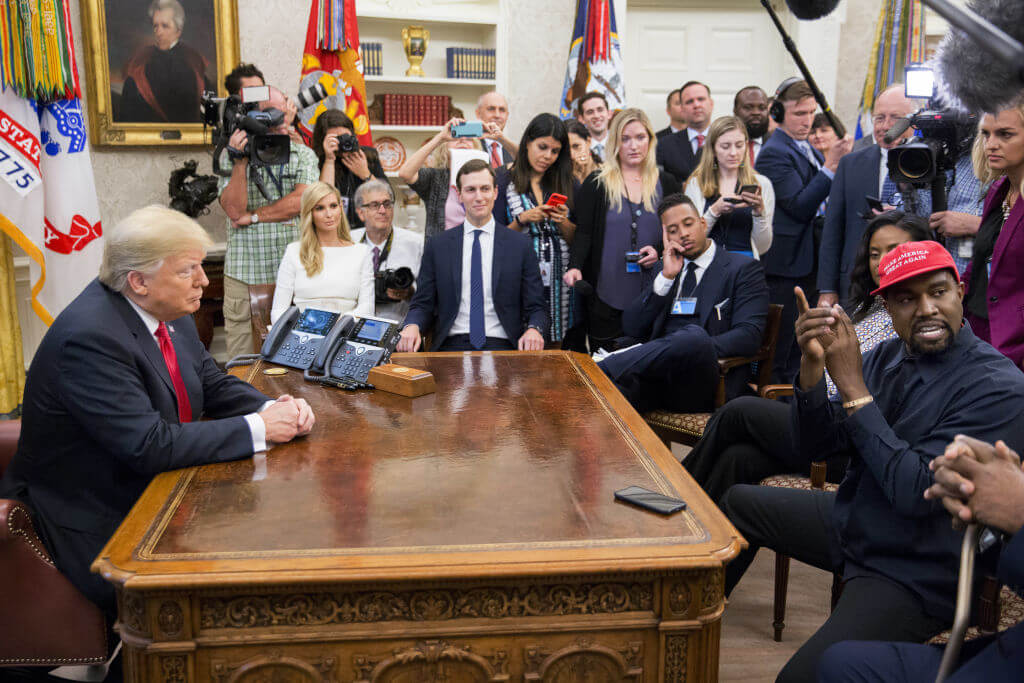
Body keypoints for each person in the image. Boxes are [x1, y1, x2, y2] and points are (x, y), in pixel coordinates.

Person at [719, 240, 1024, 682]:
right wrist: (811, 369)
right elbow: (817, 449)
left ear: (959, 290)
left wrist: (853, 389)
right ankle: (686, 625)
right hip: (857, 522)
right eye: (906, 299)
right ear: (887, 309)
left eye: (937, 292)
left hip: (914, 569)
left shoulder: (999, 385)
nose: (926, 309)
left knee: (797, 679)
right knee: (736, 505)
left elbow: (916, 495)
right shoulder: (888, 355)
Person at [0, 205, 315, 622]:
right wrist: (261, 428)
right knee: (226, 593)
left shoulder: (169, 313)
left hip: (162, 490)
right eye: (189, 270)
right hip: (95, 516)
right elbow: (149, 444)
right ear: (139, 282)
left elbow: (212, 383)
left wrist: (273, 407)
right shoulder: (89, 339)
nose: (204, 280)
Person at [684, 211, 932, 502]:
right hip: (819, 420)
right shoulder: (872, 306)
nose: (881, 261)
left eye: (894, 250)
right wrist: (813, 358)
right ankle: (696, 539)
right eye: (875, 253)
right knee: (738, 459)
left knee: (738, 411)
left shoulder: (921, 317)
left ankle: (673, 494)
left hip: (856, 438)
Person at [818, 435, 1024, 682]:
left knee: (806, 674)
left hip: (916, 561)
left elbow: (914, 491)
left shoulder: (1007, 399)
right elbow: (815, 443)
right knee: (840, 663)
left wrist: (1016, 511)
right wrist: (982, 499)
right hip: (862, 517)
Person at [597, 193, 769, 413]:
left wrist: (689, 348)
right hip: (657, 381)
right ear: (666, 237)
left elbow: (749, 336)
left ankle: (601, 367)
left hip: (706, 381)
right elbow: (631, 327)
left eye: (688, 224)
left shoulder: (742, 269)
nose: (684, 234)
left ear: (703, 223)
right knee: (605, 394)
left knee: (693, 336)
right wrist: (666, 279)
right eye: (673, 230)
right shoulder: (664, 269)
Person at [756, 78, 852, 382]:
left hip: (808, 258)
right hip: (786, 264)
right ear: (777, 112)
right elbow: (798, 205)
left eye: (811, 112)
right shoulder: (774, 151)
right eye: (799, 113)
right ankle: (776, 400)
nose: (807, 120)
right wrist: (830, 165)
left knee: (800, 343)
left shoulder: (801, 146)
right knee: (784, 346)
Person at [397, 159, 548, 352]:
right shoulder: (438, 245)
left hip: (503, 345)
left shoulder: (520, 246)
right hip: (451, 346)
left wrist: (534, 330)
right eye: (470, 190)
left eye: (485, 189)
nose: (479, 197)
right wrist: (412, 326)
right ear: (459, 195)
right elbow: (422, 303)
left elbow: (537, 307)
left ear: (495, 192)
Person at [564, 108, 681, 351]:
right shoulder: (597, 183)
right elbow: (584, 232)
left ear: (650, 139)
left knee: (649, 365)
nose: (633, 145)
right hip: (605, 292)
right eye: (625, 139)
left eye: (640, 137)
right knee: (607, 366)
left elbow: (675, 231)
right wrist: (575, 266)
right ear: (614, 143)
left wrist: (659, 250)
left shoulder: (667, 182)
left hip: (654, 289)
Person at [217, 86, 319, 359]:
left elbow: (301, 201)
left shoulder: (303, 155)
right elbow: (233, 209)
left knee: (298, 358)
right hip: (245, 273)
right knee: (242, 362)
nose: (283, 116)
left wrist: (253, 216)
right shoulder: (230, 155)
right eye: (274, 112)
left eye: (284, 108)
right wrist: (240, 163)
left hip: (297, 274)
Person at [817, 84, 921, 307]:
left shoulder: (929, 164)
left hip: (910, 281)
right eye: (879, 118)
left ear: (915, 120)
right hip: (855, 283)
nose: (886, 126)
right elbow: (833, 229)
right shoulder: (850, 163)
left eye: (895, 118)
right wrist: (827, 288)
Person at [493, 114, 577, 345]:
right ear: (527, 142)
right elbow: (493, 238)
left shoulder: (567, 182)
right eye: (542, 147)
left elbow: (578, 241)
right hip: (517, 280)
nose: (547, 156)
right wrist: (522, 219)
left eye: (555, 151)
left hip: (559, 286)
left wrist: (562, 221)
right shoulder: (502, 180)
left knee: (554, 350)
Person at [963, 102, 1024, 368]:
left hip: (1014, 346)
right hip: (976, 334)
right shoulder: (999, 189)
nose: (991, 144)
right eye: (986, 134)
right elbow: (979, 264)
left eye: (1005, 134)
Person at [269, 182, 374, 324]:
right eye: (320, 208)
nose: (329, 214)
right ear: (309, 213)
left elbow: (367, 308)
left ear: (341, 208)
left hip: (344, 332)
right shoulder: (294, 251)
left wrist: (336, 326)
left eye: (333, 206)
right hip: (303, 333)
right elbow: (278, 309)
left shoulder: (362, 252)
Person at [683, 115, 775, 258]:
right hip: (708, 264)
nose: (733, 153)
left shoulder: (761, 183)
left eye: (739, 145)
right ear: (713, 149)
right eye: (725, 146)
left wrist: (759, 212)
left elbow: (763, 246)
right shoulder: (697, 184)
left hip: (746, 266)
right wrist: (714, 211)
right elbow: (691, 240)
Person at [118, 0, 212, 123]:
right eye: (155, 26)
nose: (159, 32)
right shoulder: (142, 62)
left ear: (178, 30)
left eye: (165, 26)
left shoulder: (193, 63)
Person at [349, 178, 424, 322]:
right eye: (374, 205)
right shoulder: (349, 242)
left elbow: (427, 296)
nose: (382, 210)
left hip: (398, 328)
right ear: (360, 213)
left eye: (387, 204)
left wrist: (408, 293)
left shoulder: (416, 243)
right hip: (354, 325)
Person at [397, 117, 486, 237]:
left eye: (469, 137)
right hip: (442, 249)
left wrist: (498, 137)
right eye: (456, 136)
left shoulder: (487, 178)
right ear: (445, 146)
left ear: (476, 147)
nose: (462, 140)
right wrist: (439, 138)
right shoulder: (435, 178)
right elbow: (405, 173)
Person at [312, 109, 387, 230]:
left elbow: (386, 196)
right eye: (336, 139)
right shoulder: (315, 160)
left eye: (345, 137)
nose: (342, 143)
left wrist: (366, 174)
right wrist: (329, 160)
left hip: (366, 231)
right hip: (332, 232)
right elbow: (322, 199)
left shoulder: (369, 156)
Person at [657, 81, 714, 185]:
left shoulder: (726, 140)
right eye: (689, 102)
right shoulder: (664, 145)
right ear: (682, 109)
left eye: (701, 99)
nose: (696, 105)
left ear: (711, 103)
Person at [475, 91, 518, 167]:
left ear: (507, 115)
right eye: (491, 109)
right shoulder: (469, 145)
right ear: (478, 114)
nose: (497, 115)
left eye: (502, 110)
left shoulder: (513, 150)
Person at [734, 85, 771, 164]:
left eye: (762, 108)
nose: (756, 113)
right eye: (748, 107)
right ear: (735, 111)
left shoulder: (778, 146)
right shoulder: (720, 146)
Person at [576, 91, 612, 160]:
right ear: (581, 119)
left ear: (609, 114)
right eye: (590, 112)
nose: (596, 116)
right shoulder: (576, 149)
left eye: (600, 110)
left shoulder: (621, 144)